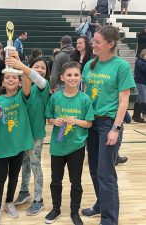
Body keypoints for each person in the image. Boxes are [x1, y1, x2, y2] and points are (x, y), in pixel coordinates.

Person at [81, 26, 136, 225]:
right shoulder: (89, 65)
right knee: (95, 170)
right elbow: (85, 96)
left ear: (110, 44)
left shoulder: (121, 66)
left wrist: (116, 128)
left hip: (108, 124)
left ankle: (109, 219)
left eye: (97, 41)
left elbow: (124, 101)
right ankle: (100, 205)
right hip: (91, 123)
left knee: (106, 173)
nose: (92, 44)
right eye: (92, 41)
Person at [44, 61, 94, 225]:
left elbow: (89, 123)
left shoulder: (85, 99)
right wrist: (54, 121)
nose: (73, 78)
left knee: (76, 181)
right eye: (69, 75)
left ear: (81, 77)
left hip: (76, 147)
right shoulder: (55, 97)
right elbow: (48, 118)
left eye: (76, 75)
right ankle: (56, 208)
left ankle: (74, 211)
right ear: (62, 77)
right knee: (55, 180)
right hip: (57, 147)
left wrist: (77, 121)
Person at [0, 51, 33, 225]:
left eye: (14, 78)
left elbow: (28, 82)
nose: (11, 80)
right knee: (1, 178)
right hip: (4, 145)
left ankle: (9, 203)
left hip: (19, 144)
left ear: (19, 81)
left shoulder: (23, 96)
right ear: (3, 81)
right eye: (7, 77)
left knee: (14, 177)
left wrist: (19, 64)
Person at [12, 56, 50, 216]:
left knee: (35, 164)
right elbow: (27, 81)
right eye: (36, 66)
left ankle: (39, 200)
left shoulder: (44, 86)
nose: (40, 69)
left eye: (43, 68)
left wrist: (20, 64)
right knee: (25, 163)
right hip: (24, 134)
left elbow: (36, 79)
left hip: (36, 134)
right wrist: (19, 62)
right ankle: (24, 191)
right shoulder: (26, 88)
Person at [132, 49, 146, 123]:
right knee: (143, 100)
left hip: (142, 83)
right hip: (140, 83)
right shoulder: (140, 62)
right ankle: (137, 116)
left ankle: (135, 116)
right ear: (143, 54)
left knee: (139, 100)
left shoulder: (142, 62)